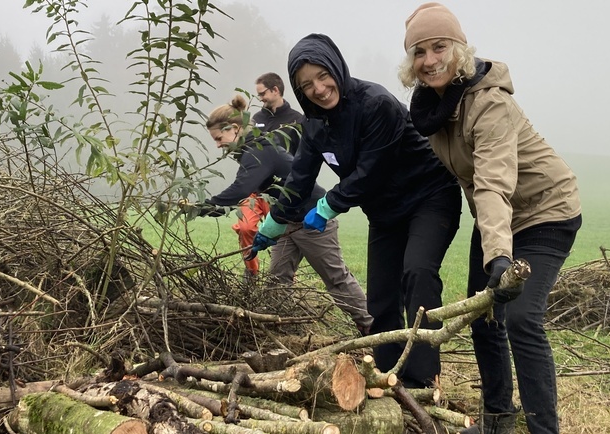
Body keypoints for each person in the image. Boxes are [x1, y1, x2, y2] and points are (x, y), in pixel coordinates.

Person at [398, 2, 583, 434]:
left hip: (545, 210)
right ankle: (499, 416)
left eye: (439, 47)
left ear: (459, 50)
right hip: (497, 219)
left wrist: (499, 256)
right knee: (483, 315)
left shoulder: (490, 103)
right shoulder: (434, 109)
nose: (430, 58)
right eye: (419, 51)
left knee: (521, 317)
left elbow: (493, 183)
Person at [249, 34, 462, 388]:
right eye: (306, 85)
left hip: (429, 196)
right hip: (385, 212)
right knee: (380, 297)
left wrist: (328, 206)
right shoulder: (314, 124)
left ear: (336, 68)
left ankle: (422, 380)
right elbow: (300, 178)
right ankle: (387, 377)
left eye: (322, 76)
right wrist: (272, 223)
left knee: (418, 274)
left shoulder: (376, 103)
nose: (318, 88)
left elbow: (370, 171)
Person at [196, 94, 373, 332]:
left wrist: (201, 208)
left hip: (312, 220)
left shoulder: (257, 152)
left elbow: (241, 190)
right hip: (286, 221)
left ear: (234, 129)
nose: (218, 144)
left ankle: (374, 329)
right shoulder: (255, 149)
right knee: (277, 281)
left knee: (336, 279)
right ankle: (283, 332)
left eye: (219, 138)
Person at [252, 72, 305, 155]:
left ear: (275, 90)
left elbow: (303, 154)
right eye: (259, 95)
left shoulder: (297, 120)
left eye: (262, 94)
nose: (260, 99)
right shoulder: (256, 119)